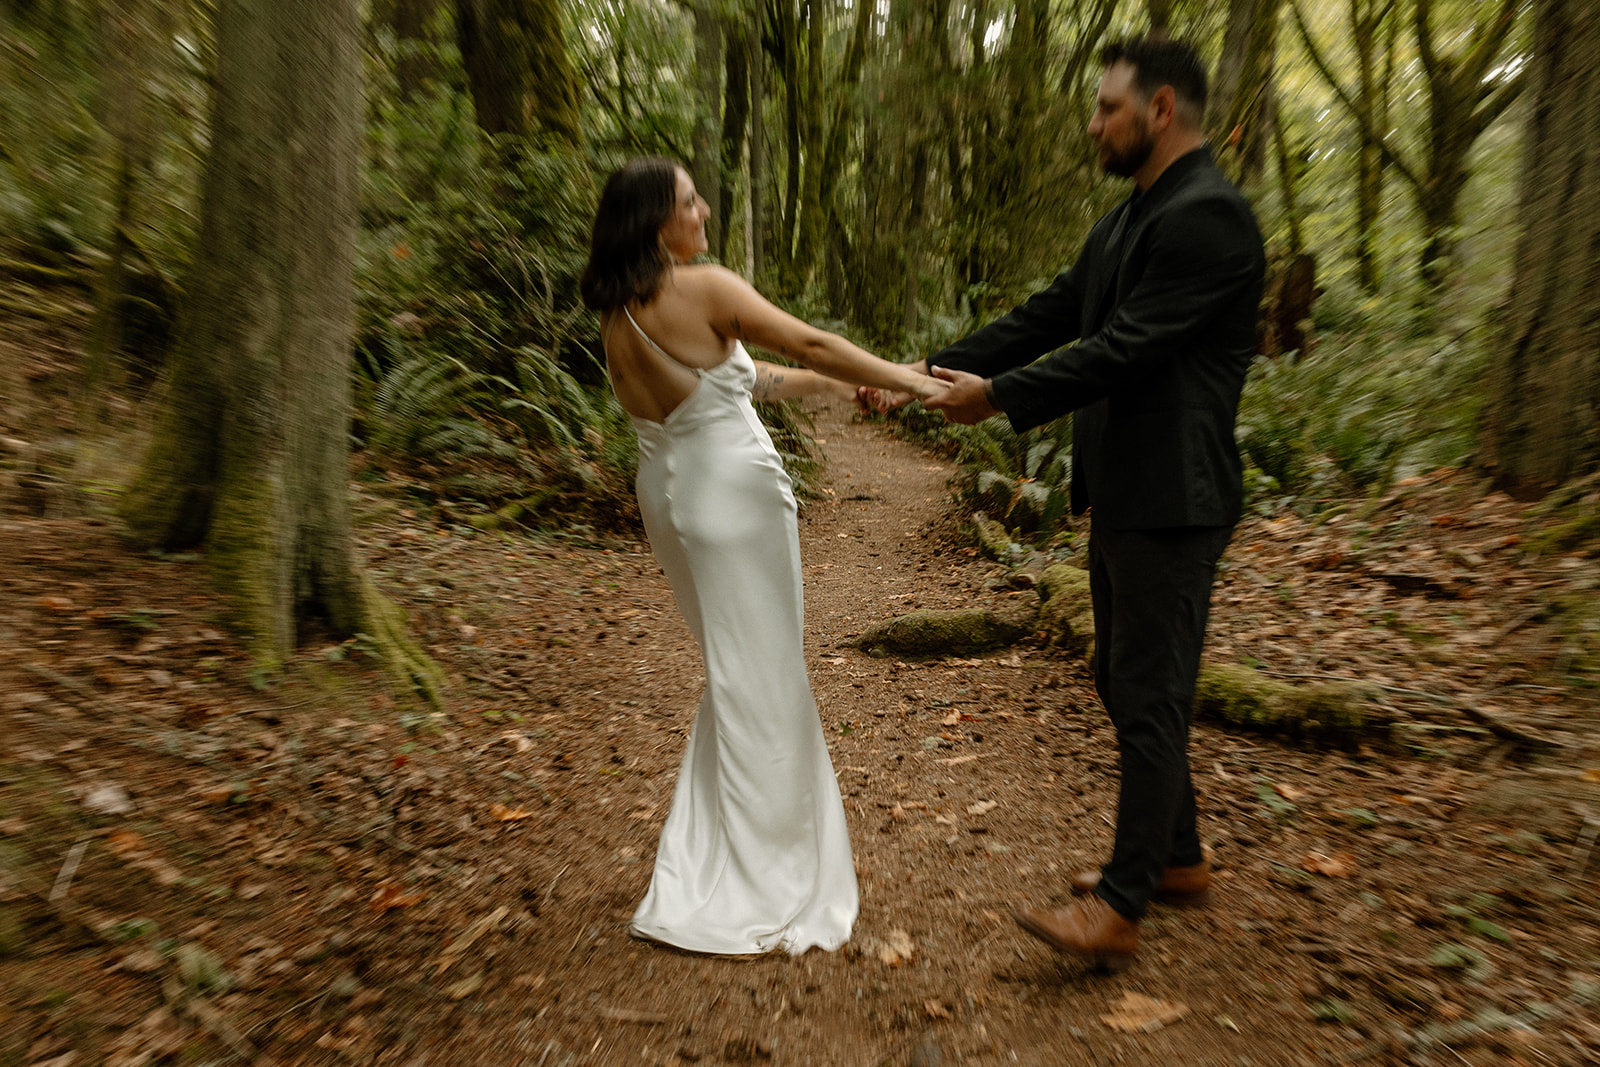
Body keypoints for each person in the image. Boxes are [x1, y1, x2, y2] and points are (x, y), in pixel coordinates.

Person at [875, 38, 1266, 971]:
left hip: (1178, 496)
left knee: (1150, 692)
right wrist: (920, 374)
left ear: (1161, 109)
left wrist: (998, 397)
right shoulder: (1130, 219)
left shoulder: (1211, 217)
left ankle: (1123, 905)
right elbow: (1052, 315)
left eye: (1106, 108)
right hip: (1130, 492)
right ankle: (1178, 859)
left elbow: (1126, 348)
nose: (1092, 124)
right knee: (1126, 682)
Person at [579, 157, 946, 955]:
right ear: (654, 221)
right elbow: (805, 335)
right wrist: (909, 382)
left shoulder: (618, 312)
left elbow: (747, 378)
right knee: (766, 676)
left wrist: (837, 387)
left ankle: (707, 855)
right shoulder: (703, 286)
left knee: (735, 671)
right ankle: (763, 878)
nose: (703, 210)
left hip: (669, 498)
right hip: (735, 499)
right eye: (687, 201)